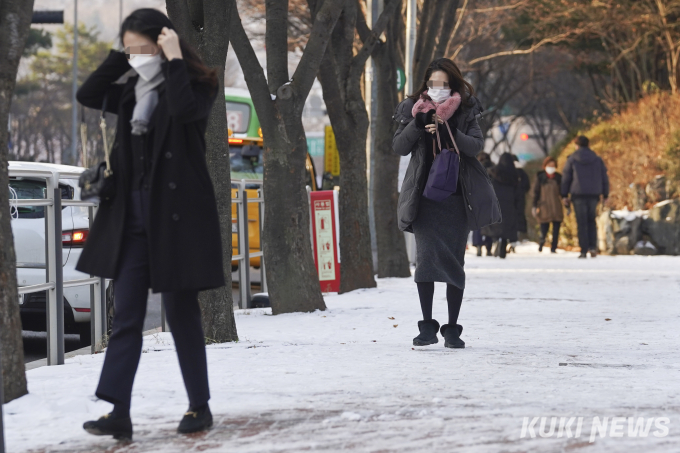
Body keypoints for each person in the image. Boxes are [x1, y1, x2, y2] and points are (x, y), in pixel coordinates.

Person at [75, 9, 224, 440]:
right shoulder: (129, 91)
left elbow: (183, 113)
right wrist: (121, 58)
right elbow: (88, 93)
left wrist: (175, 61)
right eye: (128, 49)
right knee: (126, 317)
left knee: (181, 315)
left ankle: (200, 406)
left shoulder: (198, 84)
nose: (133, 57)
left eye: (140, 48)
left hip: (176, 221)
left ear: (163, 43)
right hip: (131, 221)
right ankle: (118, 411)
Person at [392, 58, 484, 349]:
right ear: (425, 84)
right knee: (426, 261)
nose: (438, 89)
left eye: (444, 84)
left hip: (456, 199)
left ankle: (453, 328)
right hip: (425, 199)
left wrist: (449, 131)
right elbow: (398, 146)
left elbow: (476, 146)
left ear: (453, 84)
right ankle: (427, 326)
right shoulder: (412, 107)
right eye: (433, 84)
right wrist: (419, 125)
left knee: (455, 262)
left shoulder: (466, 109)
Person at [561, 135, 609, 258]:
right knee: (591, 220)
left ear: (576, 146)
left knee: (581, 222)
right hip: (594, 194)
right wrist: (605, 194)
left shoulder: (572, 159)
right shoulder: (597, 159)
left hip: (578, 194)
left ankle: (583, 249)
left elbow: (566, 178)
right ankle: (593, 247)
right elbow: (604, 177)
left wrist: (564, 195)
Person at [481, 153, 524, 259]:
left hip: (495, 204)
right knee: (506, 228)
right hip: (509, 205)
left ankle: (496, 241)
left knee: (495, 226)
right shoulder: (514, 176)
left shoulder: (493, 173)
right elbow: (519, 195)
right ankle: (503, 244)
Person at [532, 156, 564, 253]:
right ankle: (541, 243)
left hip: (556, 206)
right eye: (549, 165)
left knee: (556, 228)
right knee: (544, 227)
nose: (551, 167)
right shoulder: (540, 177)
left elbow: (562, 192)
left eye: (553, 165)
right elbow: (536, 192)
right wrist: (534, 205)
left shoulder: (559, 178)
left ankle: (554, 247)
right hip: (544, 205)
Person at [472, 152, 493, 256]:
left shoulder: (474, 167)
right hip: (489, 199)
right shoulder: (493, 169)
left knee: (477, 225)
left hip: (477, 199)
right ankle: (489, 247)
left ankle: (478, 245)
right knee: (489, 224)